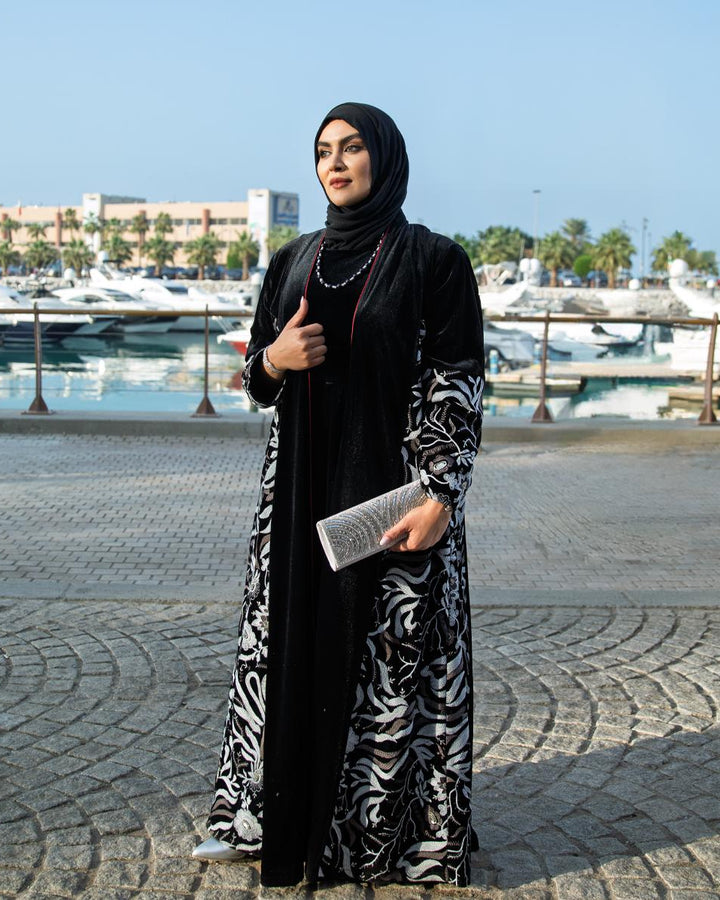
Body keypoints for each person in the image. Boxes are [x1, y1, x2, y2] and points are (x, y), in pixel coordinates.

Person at [194, 102, 485, 888]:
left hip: (392, 502)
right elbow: (255, 375)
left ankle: (386, 837)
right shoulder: (293, 259)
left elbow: (455, 381)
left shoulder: (432, 261)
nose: (335, 161)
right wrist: (278, 360)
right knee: (287, 655)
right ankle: (268, 815)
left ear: (384, 157)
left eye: (352, 147)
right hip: (295, 502)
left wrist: (441, 492)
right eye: (323, 150)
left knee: (388, 662)